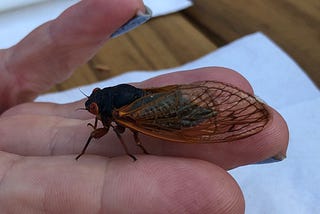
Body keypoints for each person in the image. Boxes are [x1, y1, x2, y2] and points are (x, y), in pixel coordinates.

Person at [0, 0, 289, 213]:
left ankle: (229, 117)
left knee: (147, 133)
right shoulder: (110, 109)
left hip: (165, 114)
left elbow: (126, 134)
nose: (94, 112)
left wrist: (130, 148)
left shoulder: (118, 116)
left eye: (95, 108)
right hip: (159, 100)